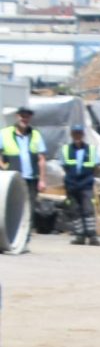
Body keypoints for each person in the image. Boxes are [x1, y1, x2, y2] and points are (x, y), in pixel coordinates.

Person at [1, 107, 42, 251]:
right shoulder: (5, 133)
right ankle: (7, 236)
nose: (24, 119)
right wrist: (3, 166)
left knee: (28, 210)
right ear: (17, 117)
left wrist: (42, 179)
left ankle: (24, 241)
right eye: (22, 116)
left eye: (27, 117)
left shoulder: (35, 134)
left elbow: (41, 158)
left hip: (30, 178)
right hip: (11, 179)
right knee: (8, 208)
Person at [60, 123, 100, 245]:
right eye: (75, 133)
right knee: (75, 210)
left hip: (86, 184)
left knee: (88, 209)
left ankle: (92, 235)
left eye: (80, 133)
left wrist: (88, 176)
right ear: (72, 135)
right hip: (71, 185)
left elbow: (96, 166)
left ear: (83, 135)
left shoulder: (91, 149)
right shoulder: (66, 149)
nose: (78, 136)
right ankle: (79, 236)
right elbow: (64, 166)